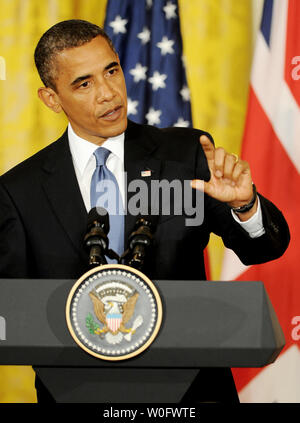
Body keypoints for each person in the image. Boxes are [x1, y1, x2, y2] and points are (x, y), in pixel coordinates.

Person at [0, 20, 290, 403]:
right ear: (51, 99)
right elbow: (13, 312)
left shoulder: (184, 155)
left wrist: (244, 205)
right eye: (84, 83)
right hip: (78, 393)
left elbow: (264, 248)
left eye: (112, 71)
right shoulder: (20, 191)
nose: (108, 93)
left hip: (192, 394)